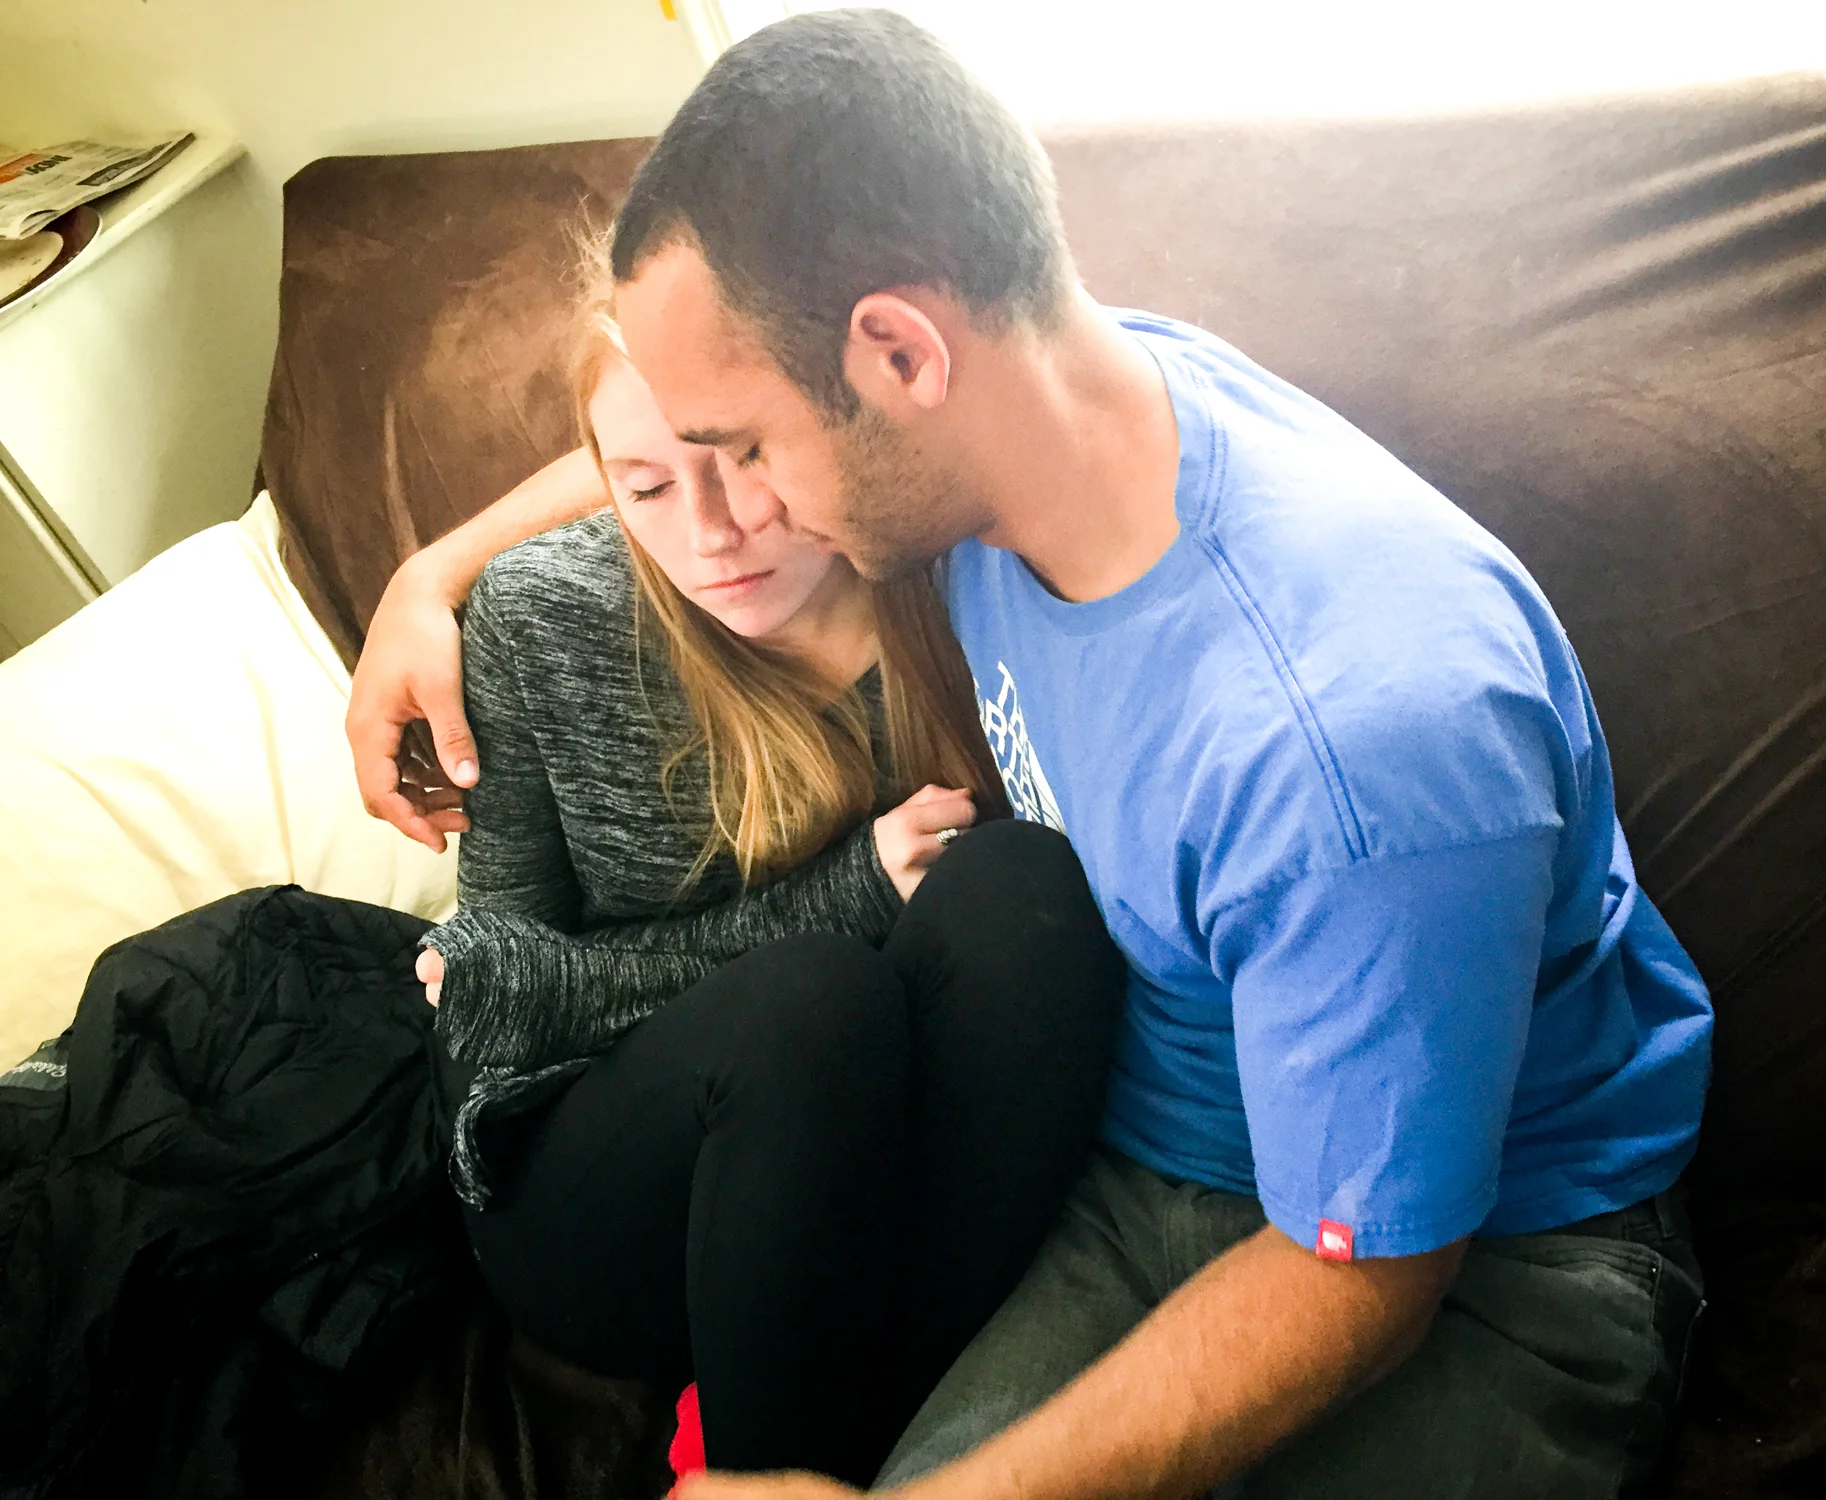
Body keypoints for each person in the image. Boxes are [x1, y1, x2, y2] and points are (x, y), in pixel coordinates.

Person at [349, 11, 1714, 1498]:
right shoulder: (1034, 429)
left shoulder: (1349, 749)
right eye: (684, 464)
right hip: (1157, 1178)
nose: (725, 516)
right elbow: (654, 440)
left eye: (746, 449)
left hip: (1479, 1261)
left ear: (898, 354)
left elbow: (1367, 1272)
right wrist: (435, 574)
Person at [412, 254, 1125, 1487]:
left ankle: (826, 1447)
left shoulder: (955, 583)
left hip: (878, 1160)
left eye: (744, 465)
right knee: (806, 1004)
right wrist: (845, 899)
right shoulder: (539, 621)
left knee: (1025, 888)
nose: (710, 536)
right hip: (604, 1183)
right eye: (641, 486)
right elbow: (501, 998)